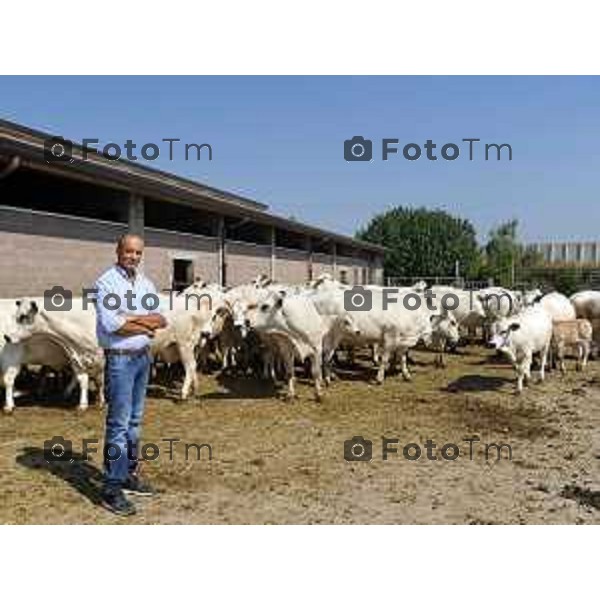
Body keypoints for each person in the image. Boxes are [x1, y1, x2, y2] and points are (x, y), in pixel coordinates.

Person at [95, 233, 167, 516]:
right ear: (118, 251)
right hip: (121, 361)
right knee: (119, 425)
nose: (133, 256)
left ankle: (128, 475)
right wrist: (143, 324)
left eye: (138, 253)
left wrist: (132, 319)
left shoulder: (144, 282)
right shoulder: (106, 282)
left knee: (135, 422)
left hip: (141, 359)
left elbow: (161, 317)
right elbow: (112, 325)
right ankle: (111, 488)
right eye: (128, 252)